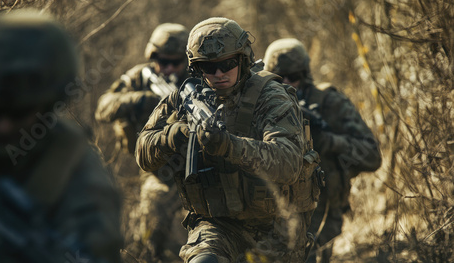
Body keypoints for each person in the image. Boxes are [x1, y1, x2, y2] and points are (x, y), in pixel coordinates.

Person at [136, 17, 319, 263]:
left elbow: (288, 163)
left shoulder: (271, 96)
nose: (219, 74)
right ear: (195, 67)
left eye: (227, 64)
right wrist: (172, 136)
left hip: (277, 227)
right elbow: (143, 154)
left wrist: (230, 146)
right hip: (216, 224)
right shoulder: (184, 97)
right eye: (208, 67)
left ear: (243, 59)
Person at [0, 10, 123, 263]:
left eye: (19, 112)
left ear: (48, 106)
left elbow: (95, 246)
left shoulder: (73, 170)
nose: (1, 126)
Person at [263, 38, 382, 263]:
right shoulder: (259, 107)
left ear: (305, 74)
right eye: (279, 78)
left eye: (294, 77)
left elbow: (372, 156)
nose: (287, 83)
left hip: (321, 211)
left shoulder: (330, 102)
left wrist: (328, 142)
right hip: (271, 214)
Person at [96, 23, 190, 262]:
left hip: (195, 167)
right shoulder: (140, 76)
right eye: (162, 60)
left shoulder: (195, 81)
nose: (168, 68)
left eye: (175, 62)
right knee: (152, 232)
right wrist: (142, 100)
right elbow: (103, 107)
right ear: (152, 55)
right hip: (156, 170)